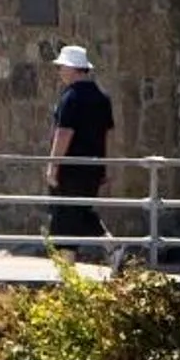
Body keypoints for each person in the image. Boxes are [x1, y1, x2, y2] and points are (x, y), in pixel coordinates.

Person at [45, 44, 114, 258]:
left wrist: (53, 167)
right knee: (81, 212)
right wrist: (103, 167)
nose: (60, 72)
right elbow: (105, 135)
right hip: (92, 168)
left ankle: (68, 270)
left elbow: (64, 133)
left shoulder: (71, 97)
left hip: (70, 169)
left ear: (73, 69)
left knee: (65, 217)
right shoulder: (102, 98)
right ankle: (112, 247)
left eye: (62, 67)